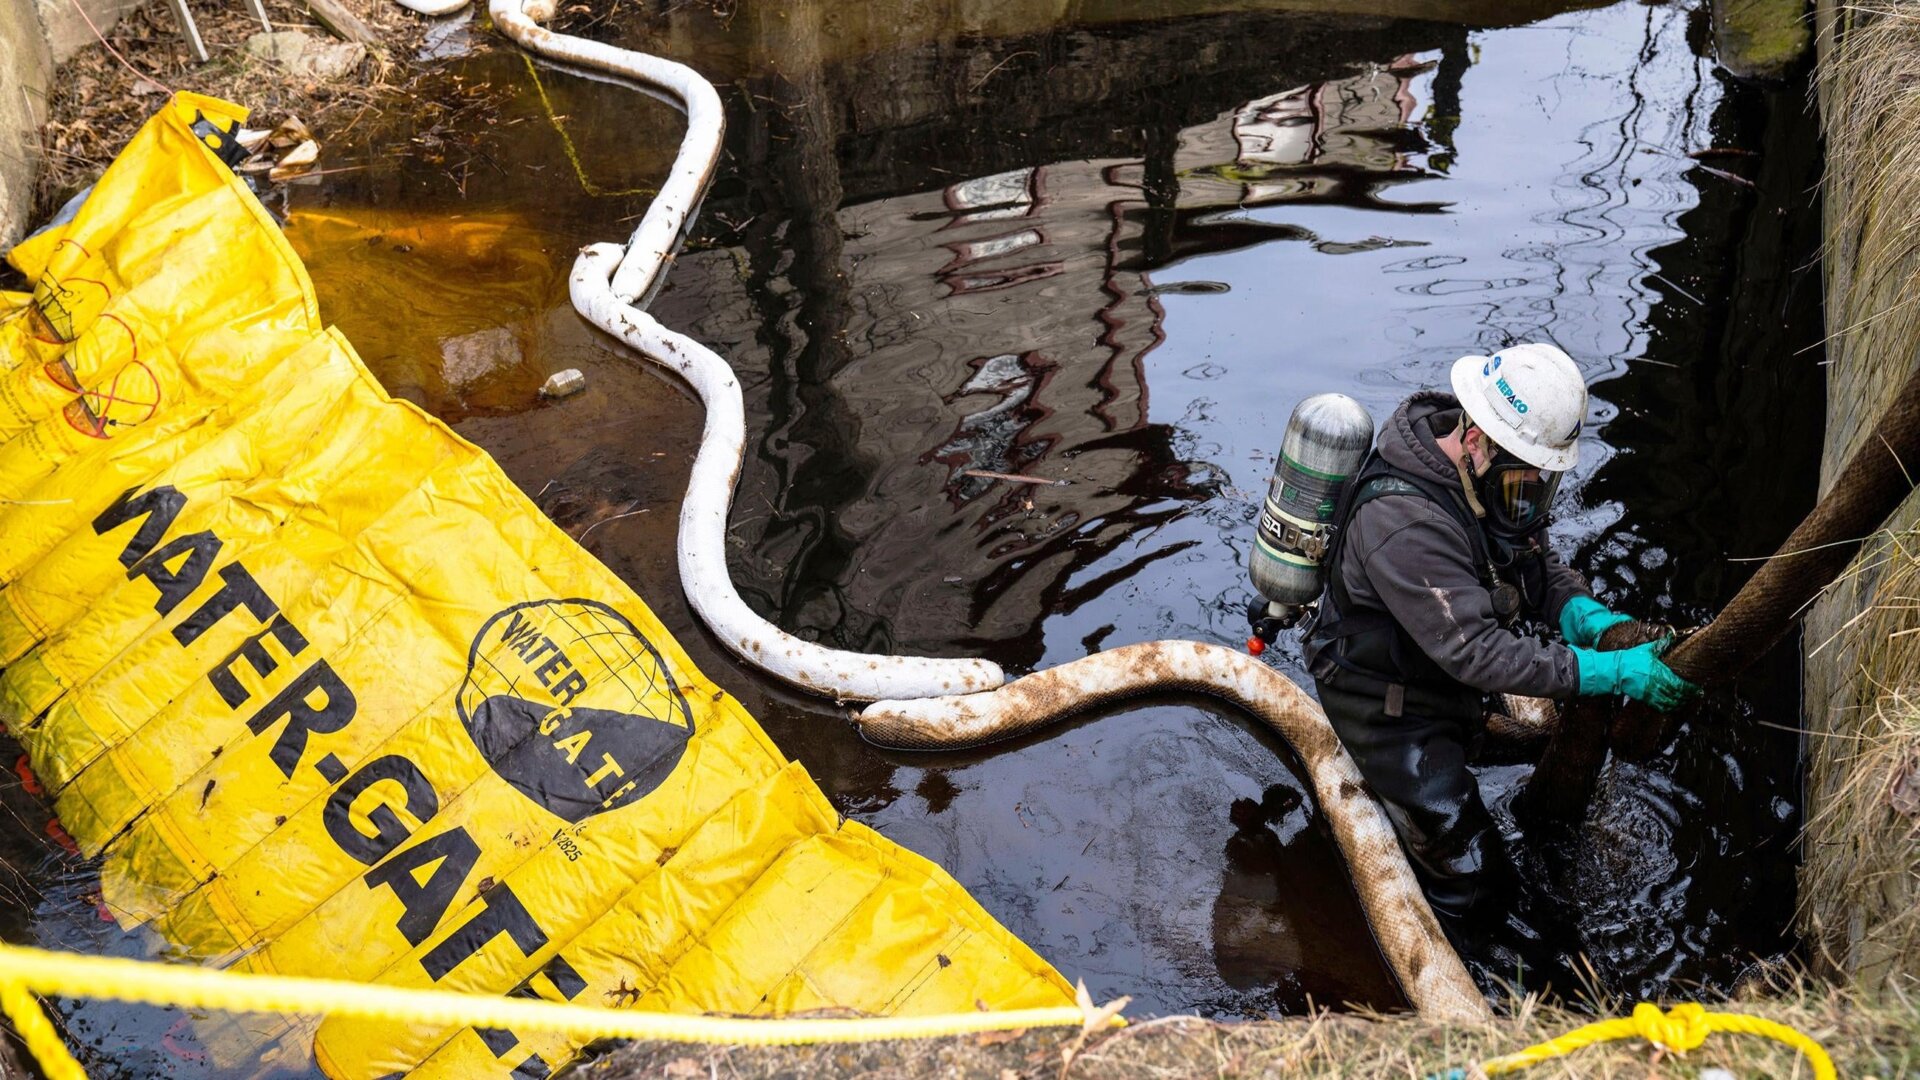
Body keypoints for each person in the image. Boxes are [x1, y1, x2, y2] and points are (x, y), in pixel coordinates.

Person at [1301, 342, 1698, 967]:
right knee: (1475, 880)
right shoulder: (1405, 524)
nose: (1532, 501)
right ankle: (1458, 978)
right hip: (1381, 699)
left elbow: (1530, 563)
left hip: (1433, 669)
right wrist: (1601, 672)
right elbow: (1479, 654)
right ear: (1477, 440)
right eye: (1525, 485)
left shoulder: (1489, 483)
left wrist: (1582, 613)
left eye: (1542, 486)